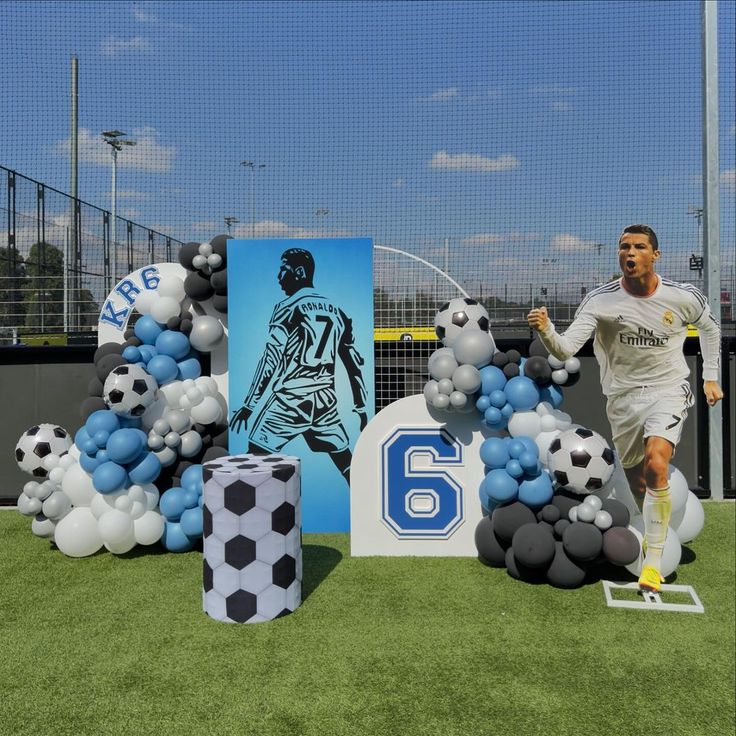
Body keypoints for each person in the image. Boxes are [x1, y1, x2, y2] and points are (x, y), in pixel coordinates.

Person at [527, 224, 723, 593]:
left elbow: (710, 330)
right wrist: (547, 329)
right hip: (622, 399)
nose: (629, 254)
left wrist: (709, 377)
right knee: (637, 481)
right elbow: (566, 349)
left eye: (638, 247)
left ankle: (653, 561)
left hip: (668, 389)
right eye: (624, 247)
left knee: (657, 463)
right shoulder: (601, 300)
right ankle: (649, 526)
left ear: (655, 255)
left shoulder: (682, 296)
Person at [230, 247, 368, 484]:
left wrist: (249, 405)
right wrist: (361, 407)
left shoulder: (289, 307)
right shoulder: (339, 313)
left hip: (290, 399)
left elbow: (270, 358)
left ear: (299, 272)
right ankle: (367, 503)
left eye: (283, 270)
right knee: (345, 461)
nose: (278, 277)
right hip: (325, 401)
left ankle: (255, 514)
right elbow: (352, 363)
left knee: (256, 460)